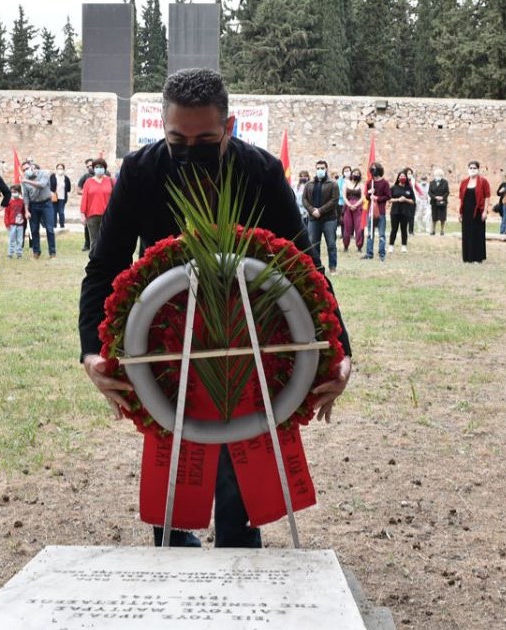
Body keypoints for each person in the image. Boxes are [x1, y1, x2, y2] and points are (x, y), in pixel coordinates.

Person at [78, 68, 352, 549]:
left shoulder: (263, 172)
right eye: (176, 139)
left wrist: (339, 350)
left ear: (228, 128)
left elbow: (304, 266)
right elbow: (104, 267)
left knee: (239, 457)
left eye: (205, 138)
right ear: (162, 128)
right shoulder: (140, 172)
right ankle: (175, 553)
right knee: (177, 449)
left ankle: (238, 555)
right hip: (165, 338)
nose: (189, 150)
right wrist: (89, 353)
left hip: (251, 338)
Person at [302, 159, 340, 272]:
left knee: (331, 244)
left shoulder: (333, 184)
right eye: (318, 168)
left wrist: (320, 211)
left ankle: (332, 267)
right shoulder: (309, 184)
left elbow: (334, 200)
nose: (320, 170)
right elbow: (304, 200)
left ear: (326, 169)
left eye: (322, 168)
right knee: (313, 244)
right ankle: (316, 268)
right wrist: (312, 210)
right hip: (313, 219)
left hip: (329, 219)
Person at [21, 160, 57, 259]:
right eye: (23, 170)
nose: (26, 171)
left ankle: (52, 253)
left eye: (27, 168)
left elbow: (42, 185)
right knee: (34, 229)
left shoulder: (44, 174)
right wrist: (27, 211)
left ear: (32, 167)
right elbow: (26, 196)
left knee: (49, 229)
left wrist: (26, 181)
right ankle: (36, 252)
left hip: (46, 204)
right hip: (33, 205)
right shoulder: (25, 179)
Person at [459, 161, 491, 263]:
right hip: (466, 211)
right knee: (467, 234)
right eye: (470, 168)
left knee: (477, 234)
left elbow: (487, 197)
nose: (472, 170)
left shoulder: (483, 181)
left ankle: (477, 257)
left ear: (478, 169)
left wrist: (485, 211)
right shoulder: (464, 182)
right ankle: (467, 257)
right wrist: (459, 213)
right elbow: (461, 198)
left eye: (474, 168)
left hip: (478, 211)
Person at [80, 157, 113, 252]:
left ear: (105, 168)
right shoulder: (88, 182)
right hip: (92, 216)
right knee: (94, 241)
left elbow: (116, 198)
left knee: (106, 239)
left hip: (107, 215)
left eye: (101, 167)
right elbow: (84, 199)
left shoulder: (111, 181)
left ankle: (106, 260)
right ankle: (94, 261)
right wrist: (82, 214)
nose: (99, 168)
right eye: (97, 167)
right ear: (94, 168)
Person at [364, 162, 391, 260]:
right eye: (372, 169)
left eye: (375, 169)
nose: (373, 171)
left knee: (382, 234)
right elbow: (367, 198)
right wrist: (369, 193)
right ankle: (369, 253)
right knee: (370, 233)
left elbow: (388, 196)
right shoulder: (369, 183)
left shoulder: (385, 183)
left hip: (381, 211)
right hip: (371, 211)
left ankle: (382, 254)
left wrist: (377, 198)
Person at [388, 171, 415, 253]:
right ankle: (391, 246)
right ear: (398, 178)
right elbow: (389, 199)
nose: (402, 178)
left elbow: (413, 201)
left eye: (404, 176)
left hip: (405, 212)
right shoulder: (394, 188)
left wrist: (405, 199)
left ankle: (404, 246)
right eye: (401, 176)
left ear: (406, 178)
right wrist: (398, 199)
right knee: (394, 229)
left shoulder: (409, 188)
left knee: (404, 229)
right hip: (395, 212)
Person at [341, 169, 364, 253]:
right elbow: (344, 196)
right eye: (354, 173)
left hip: (358, 207)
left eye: (358, 173)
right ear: (351, 174)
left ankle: (359, 246)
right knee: (347, 227)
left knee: (358, 228)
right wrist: (349, 205)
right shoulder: (346, 183)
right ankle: (346, 245)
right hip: (348, 207)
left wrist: (356, 205)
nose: (356, 174)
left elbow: (362, 197)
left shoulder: (361, 185)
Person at [77, 158, 95, 251]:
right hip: (89, 204)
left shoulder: (104, 175)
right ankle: (87, 244)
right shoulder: (85, 177)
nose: (89, 168)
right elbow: (78, 190)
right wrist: (86, 192)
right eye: (87, 166)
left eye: (91, 165)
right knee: (87, 226)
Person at [5, 185, 27, 259]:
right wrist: (7, 223)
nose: (14, 193)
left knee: (20, 240)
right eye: (12, 192)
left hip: (20, 225)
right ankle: (10, 253)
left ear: (19, 192)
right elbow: (6, 213)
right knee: (11, 239)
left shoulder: (22, 202)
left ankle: (19, 254)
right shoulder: (9, 202)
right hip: (12, 224)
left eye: (15, 192)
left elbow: (24, 212)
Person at [50, 163, 72, 230]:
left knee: (61, 212)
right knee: (54, 211)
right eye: (58, 168)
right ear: (56, 169)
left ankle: (62, 225)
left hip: (62, 197)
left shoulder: (66, 178)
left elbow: (68, 188)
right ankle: (54, 225)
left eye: (61, 168)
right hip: (54, 196)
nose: (60, 170)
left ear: (64, 169)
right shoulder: (53, 177)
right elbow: (50, 186)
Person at [428, 169, 449, 236]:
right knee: (434, 217)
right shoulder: (431, 183)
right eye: (437, 175)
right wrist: (435, 197)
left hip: (442, 202)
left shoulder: (445, 182)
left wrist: (442, 197)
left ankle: (442, 230)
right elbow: (429, 192)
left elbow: (447, 192)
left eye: (439, 175)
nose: (438, 176)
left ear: (442, 175)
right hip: (434, 202)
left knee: (442, 217)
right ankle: (433, 230)